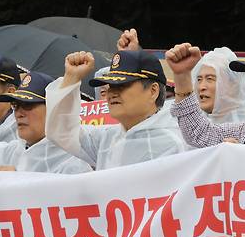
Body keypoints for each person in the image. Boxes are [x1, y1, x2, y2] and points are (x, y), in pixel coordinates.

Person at [45, 50, 185, 170]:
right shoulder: (107, 138)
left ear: (153, 91)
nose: (112, 93)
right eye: (110, 86)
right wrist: (71, 78)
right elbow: (61, 131)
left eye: (122, 85)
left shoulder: (170, 144)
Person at [0, 71, 92, 173]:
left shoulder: (75, 162)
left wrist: (20, 183)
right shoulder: (13, 150)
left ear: (53, 110)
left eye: (28, 105)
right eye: (16, 105)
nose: (19, 113)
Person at [191, 47, 245, 123]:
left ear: (233, 85)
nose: (201, 87)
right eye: (199, 79)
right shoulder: (197, 127)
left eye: (210, 79)